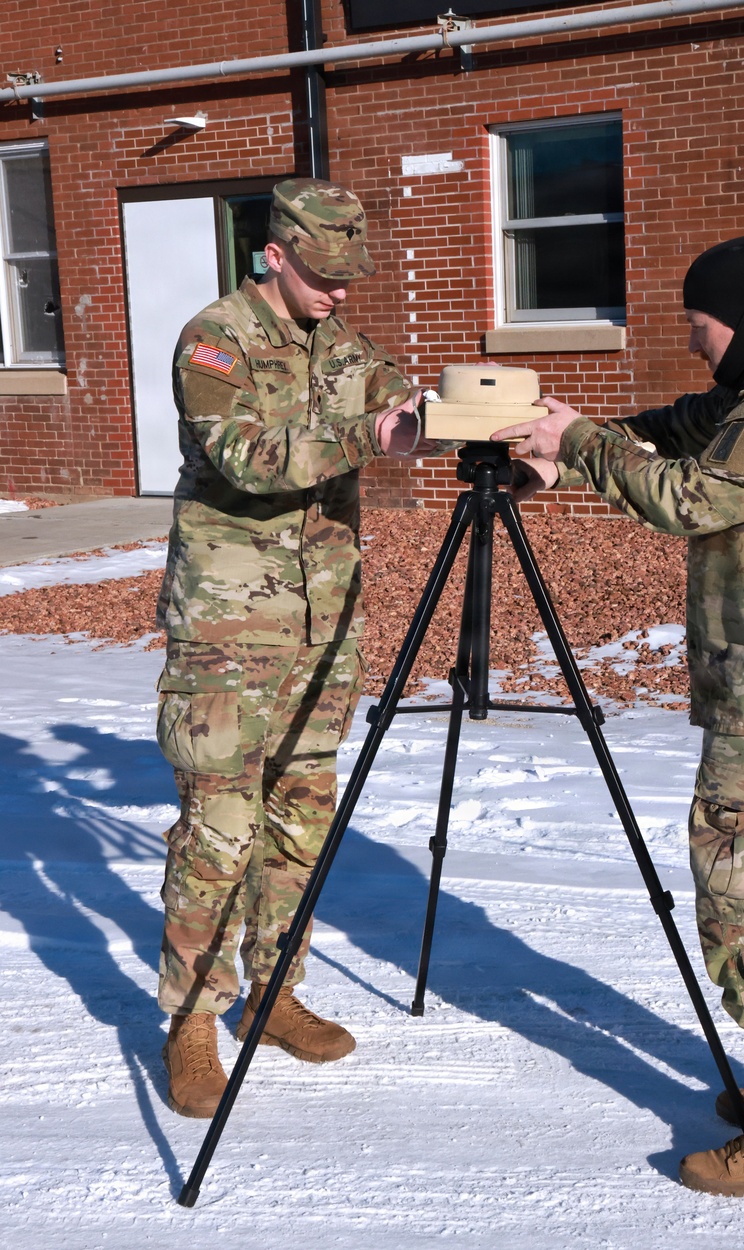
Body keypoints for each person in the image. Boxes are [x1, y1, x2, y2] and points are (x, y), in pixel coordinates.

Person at [494, 236, 744, 1197]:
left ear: (741, 319)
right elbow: (685, 425)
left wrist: (578, 442)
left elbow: (689, 497)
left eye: (701, 326)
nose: (697, 345)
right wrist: (565, 443)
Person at [155, 178, 443, 1118]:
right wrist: (374, 434)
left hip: (324, 631)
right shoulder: (215, 338)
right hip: (228, 636)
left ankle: (275, 993)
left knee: (300, 827)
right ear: (274, 253)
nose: (340, 292)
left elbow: (406, 404)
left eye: (351, 274)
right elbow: (245, 455)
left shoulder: (343, 344)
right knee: (218, 835)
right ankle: (194, 1020)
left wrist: (477, 427)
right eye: (324, 273)